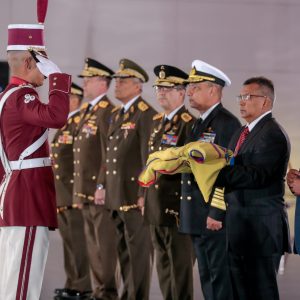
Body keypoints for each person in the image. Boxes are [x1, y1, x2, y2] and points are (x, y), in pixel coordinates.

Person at [0, 23, 71, 300]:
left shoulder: (7, 96)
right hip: (27, 198)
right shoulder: (21, 96)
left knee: (12, 280)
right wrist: (57, 78)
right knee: (21, 285)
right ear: (30, 61)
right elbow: (56, 117)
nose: (47, 67)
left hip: (16, 196)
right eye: (44, 60)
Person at [214, 76, 291, 300]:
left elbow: (257, 175)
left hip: (261, 229)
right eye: (240, 96)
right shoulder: (242, 133)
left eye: (248, 97)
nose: (241, 101)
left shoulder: (273, 134)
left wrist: (214, 173)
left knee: (261, 291)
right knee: (240, 291)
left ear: (265, 101)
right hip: (239, 226)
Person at [96, 58, 157, 300]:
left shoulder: (145, 115)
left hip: (133, 197)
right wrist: (102, 185)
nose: (117, 84)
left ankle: (136, 296)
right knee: (123, 251)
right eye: (117, 80)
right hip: (116, 194)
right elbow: (108, 154)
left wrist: (143, 194)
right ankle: (126, 295)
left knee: (139, 253)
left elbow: (148, 160)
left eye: (123, 81)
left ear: (138, 86)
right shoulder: (117, 114)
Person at [180, 60, 241, 300]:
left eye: (195, 87)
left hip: (213, 216)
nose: (189, 92)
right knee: (207, 275)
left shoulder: (226, 123)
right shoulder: (200, 122)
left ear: (213, 90)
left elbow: (226, 172)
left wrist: (216, 211)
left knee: (219, 276)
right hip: (198, 213)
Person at [144, 65, 195, 300]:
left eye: (167, 88)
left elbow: (191, 169)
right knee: (163, 265)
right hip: (155, 204)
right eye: (158, 87)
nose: (161, 92)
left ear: (182, 92)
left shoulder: (189, 124)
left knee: (179, 266)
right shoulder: (156, 122)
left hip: (177, 207)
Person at [73, 58, 118, 300]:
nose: (85, 86)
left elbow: (108, 153)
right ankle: (99, 289)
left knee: (104, 245)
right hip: (87, 190)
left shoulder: (107, 112)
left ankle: (107, 292)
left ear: (103, 84)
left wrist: (101, 184)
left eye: (89, 81)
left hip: (100, 191)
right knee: (93, 245)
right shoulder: (88, 111)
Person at [51, 83, 91, 299]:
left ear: (75, 99)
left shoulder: (80, 122)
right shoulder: (66, 124)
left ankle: (83, 286)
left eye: (67, 98)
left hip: (73, 193)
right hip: (63, 194)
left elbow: (81, 162)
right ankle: (72, 281)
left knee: (78, 242)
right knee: (69, 243)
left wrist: (77, 192)